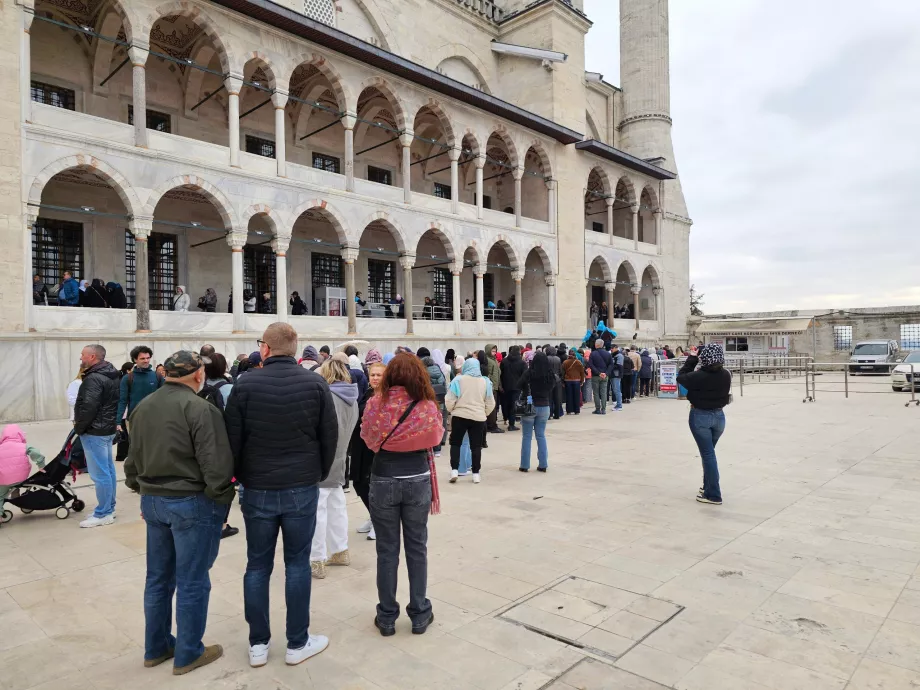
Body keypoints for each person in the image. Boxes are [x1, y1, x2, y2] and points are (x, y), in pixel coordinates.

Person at [224, 322, 336, 668]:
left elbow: (233, 440)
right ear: (296, 346)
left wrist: (243, 476)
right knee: (297, 564)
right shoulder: (315, 382)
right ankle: (296, 642)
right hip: (300, 486)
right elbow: (329, 437)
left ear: (266, 349)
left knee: (257, 564)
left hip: (258, 487)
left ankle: (259, 644)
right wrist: (316, 473)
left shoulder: (244, 385)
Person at [124, 350, 234, 675]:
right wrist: (221, 499)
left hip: (153, 500)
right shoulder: (200, 408)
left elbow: (132, 459)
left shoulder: (144, 407)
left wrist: (140, 487)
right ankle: (188, 652)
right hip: (190, 502)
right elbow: (215, 465)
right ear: (198, 376)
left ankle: (156, 647)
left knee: (157, 578)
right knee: (192, 580)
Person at [360, 353, 443, 636]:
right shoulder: (426, 406)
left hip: (383, 476)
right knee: (417, 547)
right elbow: (436, 437)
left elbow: (367, 438)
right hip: (417, 477)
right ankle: (419, 613)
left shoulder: (375, 403)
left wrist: (392, 442)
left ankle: (386, 616)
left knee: (387, 550)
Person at [311, 358, 359, 578]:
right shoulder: (352, 399)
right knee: (337, 507)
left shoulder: (328, 397)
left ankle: (316, 558)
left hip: (322, 461)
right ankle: (340, 550)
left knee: (318, 512)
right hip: (340, 460)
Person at [678, 344, 732, 506]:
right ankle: (707, 487)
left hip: (701, 416)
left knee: (708, 455)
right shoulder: (726, 375)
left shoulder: (697, 376)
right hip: (719, 417)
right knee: (709, 453)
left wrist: (692, 359)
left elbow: (681, 376)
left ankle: (713, 494)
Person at [73, 344, 120, 527]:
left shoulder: (94, 378)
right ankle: (109, 508)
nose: (80, 358)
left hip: (95, 432)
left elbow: (89, 407)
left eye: (83, 355)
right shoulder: (111, 373)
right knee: (108, 471)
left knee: (100, 474)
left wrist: (79, 428)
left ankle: (103, 513)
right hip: (106, 429)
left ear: (92, 357)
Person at [202, 353, 239, 539]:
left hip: (202, 442)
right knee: (226, 485)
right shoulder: (230, 388)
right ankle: (222, 524)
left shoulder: (198, 387)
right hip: (225, 445)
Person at [446, 358, 495, 484]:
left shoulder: (458, 380)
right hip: (478, 418)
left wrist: (452, 410)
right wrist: (484, 413)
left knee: (456, 443)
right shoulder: (485, 382)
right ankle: (476, 474)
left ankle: (455, 470)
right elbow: (490, 402)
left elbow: (450, 399)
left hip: (460, 416)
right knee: (476, 446)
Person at [351, 361, 385, 542]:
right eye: (373, 375)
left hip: (375, 448)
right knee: (358, 482)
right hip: (360, 444)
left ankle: (379, 521)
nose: (375, 378)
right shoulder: (368, 393)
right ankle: (373, 515)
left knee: (371, 483)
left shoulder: (386, 397)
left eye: (379, 375)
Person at [116, 346, 165, 452]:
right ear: (135, 360)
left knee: (154, 450)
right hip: (134, 419)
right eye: (143, 358)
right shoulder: (127, 378)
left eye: (148, 358)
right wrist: (118, 421)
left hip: (155, 419)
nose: (146, 360)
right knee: (137, 450)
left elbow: (165, 399)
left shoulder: (157, 376)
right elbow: (122, 401)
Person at [0, 425, 47, 519]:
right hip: (21, 477)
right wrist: (41, 466)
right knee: (16, 481)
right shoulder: (23, 446)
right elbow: (36, 453)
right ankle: (15, 490)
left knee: (1, 495)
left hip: (3, 480)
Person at [518, 351, 554, 472]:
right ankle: (543, 464)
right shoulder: (550, 374)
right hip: (544, 406)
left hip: (530, 406)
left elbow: (518, 385)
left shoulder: (529, 373)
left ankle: (524, 465)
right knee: (541, 436)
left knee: (527, 437)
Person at [500, 345, 526, 431]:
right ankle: (511, 424)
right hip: (517, 387)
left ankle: (506, 418)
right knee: (514, 405)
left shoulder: (504, 361)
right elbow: (525, 376)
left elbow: (501, 374)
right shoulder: (522, 363)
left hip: (506, 386)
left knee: (506, 403)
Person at [588, 340, 612, 414]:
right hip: (605, 376)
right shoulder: (608, 354)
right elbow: (611, 365)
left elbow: (591, 365)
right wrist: (606, 373)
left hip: (595, 375)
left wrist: (598, 373)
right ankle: (603, 409)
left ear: (596, 345)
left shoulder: (593, 353)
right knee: (604, 392)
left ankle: (598, 409)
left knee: (596, 393)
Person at [484, 344, 502, 433]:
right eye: (492, 351)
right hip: (491, 386)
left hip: (495, 386)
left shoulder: (493, 360)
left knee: (494, 406)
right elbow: (488, 373)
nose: (494, 353)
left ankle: (491, 424)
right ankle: (491, 425)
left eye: (495, 351)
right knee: (492, 406)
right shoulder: (488, 360)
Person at [562, 349, 585, 414]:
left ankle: (569, 410)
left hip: (568, 380)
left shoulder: (565, 362)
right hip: (577, 380)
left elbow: (563, 373)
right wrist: (582, 381)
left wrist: (562, 381)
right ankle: (576, 410)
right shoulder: (578, 362)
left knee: (569, 396)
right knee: (576, 396)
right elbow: (582, 372)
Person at [544, 345, 565, 419]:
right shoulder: (558, 359)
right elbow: (560, 371)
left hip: (549, 380)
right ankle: (557, 414)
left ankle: (549, 414)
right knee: (557, 398)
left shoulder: (546, 358)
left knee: (549, 398)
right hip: (557, 379)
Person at [609, 344, 624, 411]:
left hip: (616, 375)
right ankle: (618, 404)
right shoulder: (613, 355)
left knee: (617, 390)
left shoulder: (619, 355)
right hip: (612, 374)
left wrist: (610, 367)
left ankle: (619, 405)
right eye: (611, 348)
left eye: (612, 348)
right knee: (615, 390)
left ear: (616, 348)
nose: (611, 349)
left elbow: (619, 366)